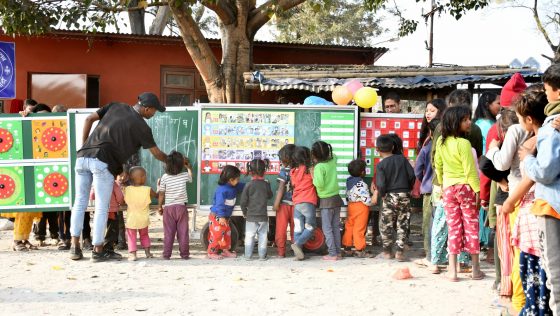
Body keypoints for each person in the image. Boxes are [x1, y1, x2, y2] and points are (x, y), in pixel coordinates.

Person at [69, 92, 167, 262]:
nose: (153, 114)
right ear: (146, 108)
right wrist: (173, 160)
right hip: (102, 163)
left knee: (79, 203)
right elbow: (157, 153)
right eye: (154, 111)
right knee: (101, 207)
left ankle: (75, 247)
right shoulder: (142, 127)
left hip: (82, 158)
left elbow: (88, 120)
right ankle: (98, 250)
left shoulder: (115, 105)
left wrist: (84, 147)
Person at [502, 89, 551, 315]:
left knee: (535, 271)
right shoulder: (542, 137)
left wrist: (510, 201)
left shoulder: (539, 142)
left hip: (535, 212)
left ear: (529, 119)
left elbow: (532, 178)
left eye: (520, 117)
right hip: (534, 211)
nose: (518, 121)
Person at [520, 63, 560, 315]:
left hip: (552, 206)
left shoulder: (552, 127)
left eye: (547, 89)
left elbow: (545, 172)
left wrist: (527, 158)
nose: (546, 95)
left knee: (554, 273)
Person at [434, 106, 484, 282]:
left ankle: (452, 271)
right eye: (465, 120)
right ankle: (475, 270)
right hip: (466, 188)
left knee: (453, 228)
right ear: (456, 122)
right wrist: (479, 192)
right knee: (471, 226)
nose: (469, 122)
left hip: (448, 189)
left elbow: (438, 166)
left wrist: (442, 185)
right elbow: (470, 171)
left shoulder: (441, 141)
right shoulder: (464, 144)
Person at [374, 134, 415, 261]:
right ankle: (399, 252)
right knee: (402, 223)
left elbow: (380, 184)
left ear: (377, 150)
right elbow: (412, 176)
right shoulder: (402, 159)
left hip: (389, 196)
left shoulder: (381, 165)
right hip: (404, 194)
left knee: (386, 224)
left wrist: (383, 194)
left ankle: (387, 252)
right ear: (392, 147)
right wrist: (408, 188)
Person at [413, 118, 440, 271]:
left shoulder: (427, 148)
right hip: (447, 189)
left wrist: (424, 179)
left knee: (429, 224)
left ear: (430, 132)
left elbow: (417, 170)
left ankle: (430, 256)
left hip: (430, 190)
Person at [157, 151, 193, 260]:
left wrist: (159, 206)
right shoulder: (184, 175)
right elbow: (191, 179)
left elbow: (161, 193)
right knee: (183, 233)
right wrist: (189, 168)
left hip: (169, 208)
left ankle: (166, 254)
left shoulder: (164, 177)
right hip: (181, 208)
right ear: (182, 164)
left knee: (168, 233)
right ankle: (185, 254)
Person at [312, 141, 344, 261]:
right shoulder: (332, 160)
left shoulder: (319, 167)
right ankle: (338, 252)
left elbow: (319, 184)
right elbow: (334, 155)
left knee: (327, 228)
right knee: (335, 227)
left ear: (314, 155)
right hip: (336, 199)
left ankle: (332, 254)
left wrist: (313, 176)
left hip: (326, 201)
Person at [208, 165, 245, 259]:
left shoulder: (234, 186)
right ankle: (211, 252)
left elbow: (243, 186)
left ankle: (225, 251)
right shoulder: (222, 190)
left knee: (227, 235)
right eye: (237, 179)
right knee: (217, 235)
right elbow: (219, 204)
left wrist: (253, 183)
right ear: (230, 179)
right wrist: (221, 216)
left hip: (226, 217)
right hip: (218, 216)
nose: (238, 181)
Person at [240, 159, 273, 260]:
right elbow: (270, 196)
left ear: (250, 172)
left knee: (249, 236)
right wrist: (268, 185)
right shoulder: (265, 184)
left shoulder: (248, 185)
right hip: (263, 216)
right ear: (264, 171)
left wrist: (245, 212)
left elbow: (243, 202)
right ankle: (262, 256)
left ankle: (247, 256)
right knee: (263, 236)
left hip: (251, 216)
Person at [290, 146, 318, 261]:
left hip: (297, 203)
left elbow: (293, 185)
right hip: (308, 202)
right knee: (311, 227)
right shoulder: (310, 169)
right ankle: (298, 244)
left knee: (298, 228)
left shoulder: (293, 171)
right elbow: (316, 182)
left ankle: (298, 254)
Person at [124, 166, 157, 261]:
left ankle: (133, 254)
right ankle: (148, 253)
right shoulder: (148, 189)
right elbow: (157, 195)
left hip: (131, 219)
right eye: (145, 176)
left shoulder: (127, 189)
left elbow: (123, 201)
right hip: (143, 219)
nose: (146, 177)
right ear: (142, 177)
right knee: (144, 235)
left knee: (131, 237)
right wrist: (159, 187)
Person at [343, 159, 373, 258]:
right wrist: (373, 198)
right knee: (359, 228)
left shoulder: (349, 182)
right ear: (362, 172)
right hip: (361, 208)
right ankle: (359, 249)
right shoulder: (362, 184)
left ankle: (347, 247)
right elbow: (367, 200)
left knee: (349, 226)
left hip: (351, 206)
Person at [91, 177, 125, 260]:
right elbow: (120, 198)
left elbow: (92, 196)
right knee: (111, 231)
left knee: (101, 230)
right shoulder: (113, 184)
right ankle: (108, 250)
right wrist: (122, 202)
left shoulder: (96, 182)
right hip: (111, 211)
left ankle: (98, 249)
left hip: (99, 211)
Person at [272, 144, 296, 258]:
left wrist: (276, 203)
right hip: (297, 204)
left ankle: (281, 252)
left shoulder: (284, 171)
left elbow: (281, 188)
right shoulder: (299, 170)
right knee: (296, 228)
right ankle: (297, 250)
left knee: (281, 229)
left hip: (284, 205)